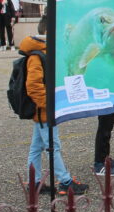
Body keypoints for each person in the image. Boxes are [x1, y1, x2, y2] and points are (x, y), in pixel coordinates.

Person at [21, 15, 89, 195]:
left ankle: (34, 183)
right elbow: (33, 87)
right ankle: (65, 181)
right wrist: (48, 106)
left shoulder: (47, 53)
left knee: (36, 147)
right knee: (53, 146)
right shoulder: (37, 56)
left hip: (44, 111)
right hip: (45, 111)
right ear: (47, 32)